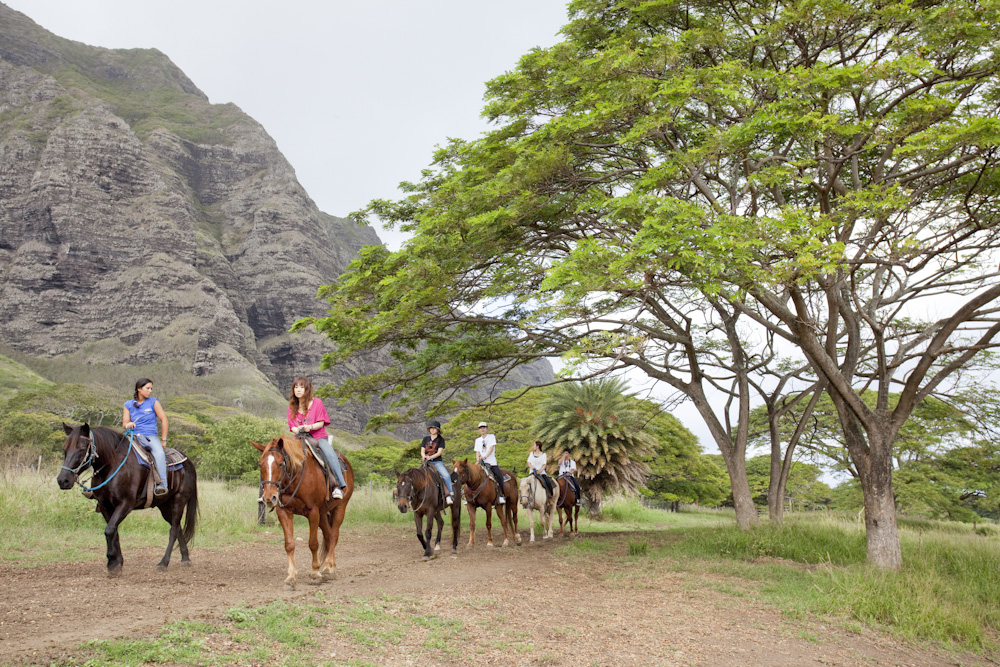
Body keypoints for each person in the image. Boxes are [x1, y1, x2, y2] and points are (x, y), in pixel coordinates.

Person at [287, 376, 346, 500]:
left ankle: (337, 486)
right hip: (299, 438)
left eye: (301, 387)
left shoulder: (317, 402)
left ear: (307, 389)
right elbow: (292, 425)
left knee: (330, 455)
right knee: (282, 456)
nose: (298, 390)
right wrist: (297, 429)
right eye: (296, 387)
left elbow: (321, 422)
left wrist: (310, 427)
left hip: (317, 437)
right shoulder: (292, 406)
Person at [122, 377, 169, 496]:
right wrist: (128, 424)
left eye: (151, 388)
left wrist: (163, 440)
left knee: (159, 453)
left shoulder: (154, 402)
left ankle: (162, 484)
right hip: (133, 436)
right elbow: (125, 423)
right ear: (139, 389)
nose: (150, 391)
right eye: (147, 388)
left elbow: (164, 420)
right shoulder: (128, 404)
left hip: (149, 436)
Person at [421, 420, 453, 505]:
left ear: (438, 430)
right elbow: (422, 450)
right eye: (431, 428)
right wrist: (424, 456)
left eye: (434, 428)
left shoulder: (441, 440)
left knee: (446, 475)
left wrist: (430, 457)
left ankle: (450, 493)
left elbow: (439, 453)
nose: (432, 430)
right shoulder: (425, 439)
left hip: (437, 462)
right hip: (426, 462)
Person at [474, 421, 505, 504]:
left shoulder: (491, 437)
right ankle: (471, 497)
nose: (482, 429)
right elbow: (477, 452)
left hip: (491, 462)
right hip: (481, 462)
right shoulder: (477, 440)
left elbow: (491, 448)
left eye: (484, 428)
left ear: (487, 429)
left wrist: (485, 456)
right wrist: (478, 460)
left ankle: (501, 495)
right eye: (481, 428)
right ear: (478, 430)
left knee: (499, 476)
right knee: (472, 476)